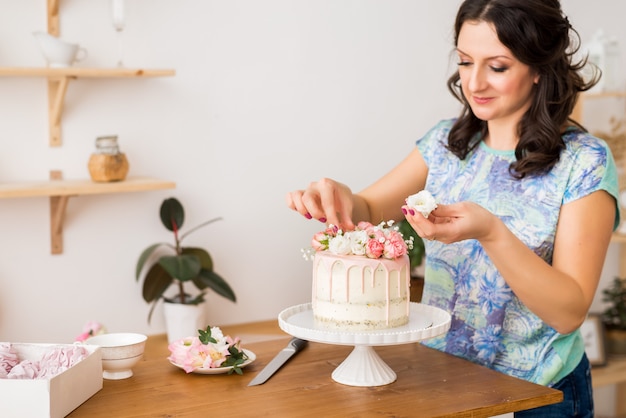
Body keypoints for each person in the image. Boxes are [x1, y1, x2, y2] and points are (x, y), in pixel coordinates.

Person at [285, 1, 620, 416]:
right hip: (442, 381)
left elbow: (569, 312)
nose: (474, 82)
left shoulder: (584, 162)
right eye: (464, 62)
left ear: (539, 68)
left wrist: (492, 232)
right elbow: (368, 205)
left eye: (497, 67)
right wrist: (336, 194)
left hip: (537, 394)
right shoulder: (447, 143)